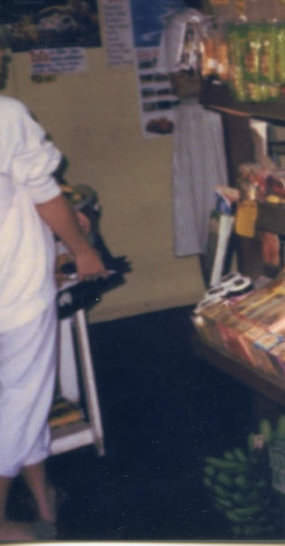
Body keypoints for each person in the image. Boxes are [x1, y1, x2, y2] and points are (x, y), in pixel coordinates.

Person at [0, 33, 108, 541]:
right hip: (12, 292)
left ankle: (43, 503)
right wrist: (83, 251)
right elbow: (45, 193)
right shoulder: (6, 115)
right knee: (20, 403)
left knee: (25, 399)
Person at [157, 0, 228, 282]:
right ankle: (214, 297)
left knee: (246, 212)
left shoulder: (238, 18)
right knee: (209, 212)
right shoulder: (185, 24)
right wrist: (226, 78)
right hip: (203, 123)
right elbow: (183, 86)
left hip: (235, 121)